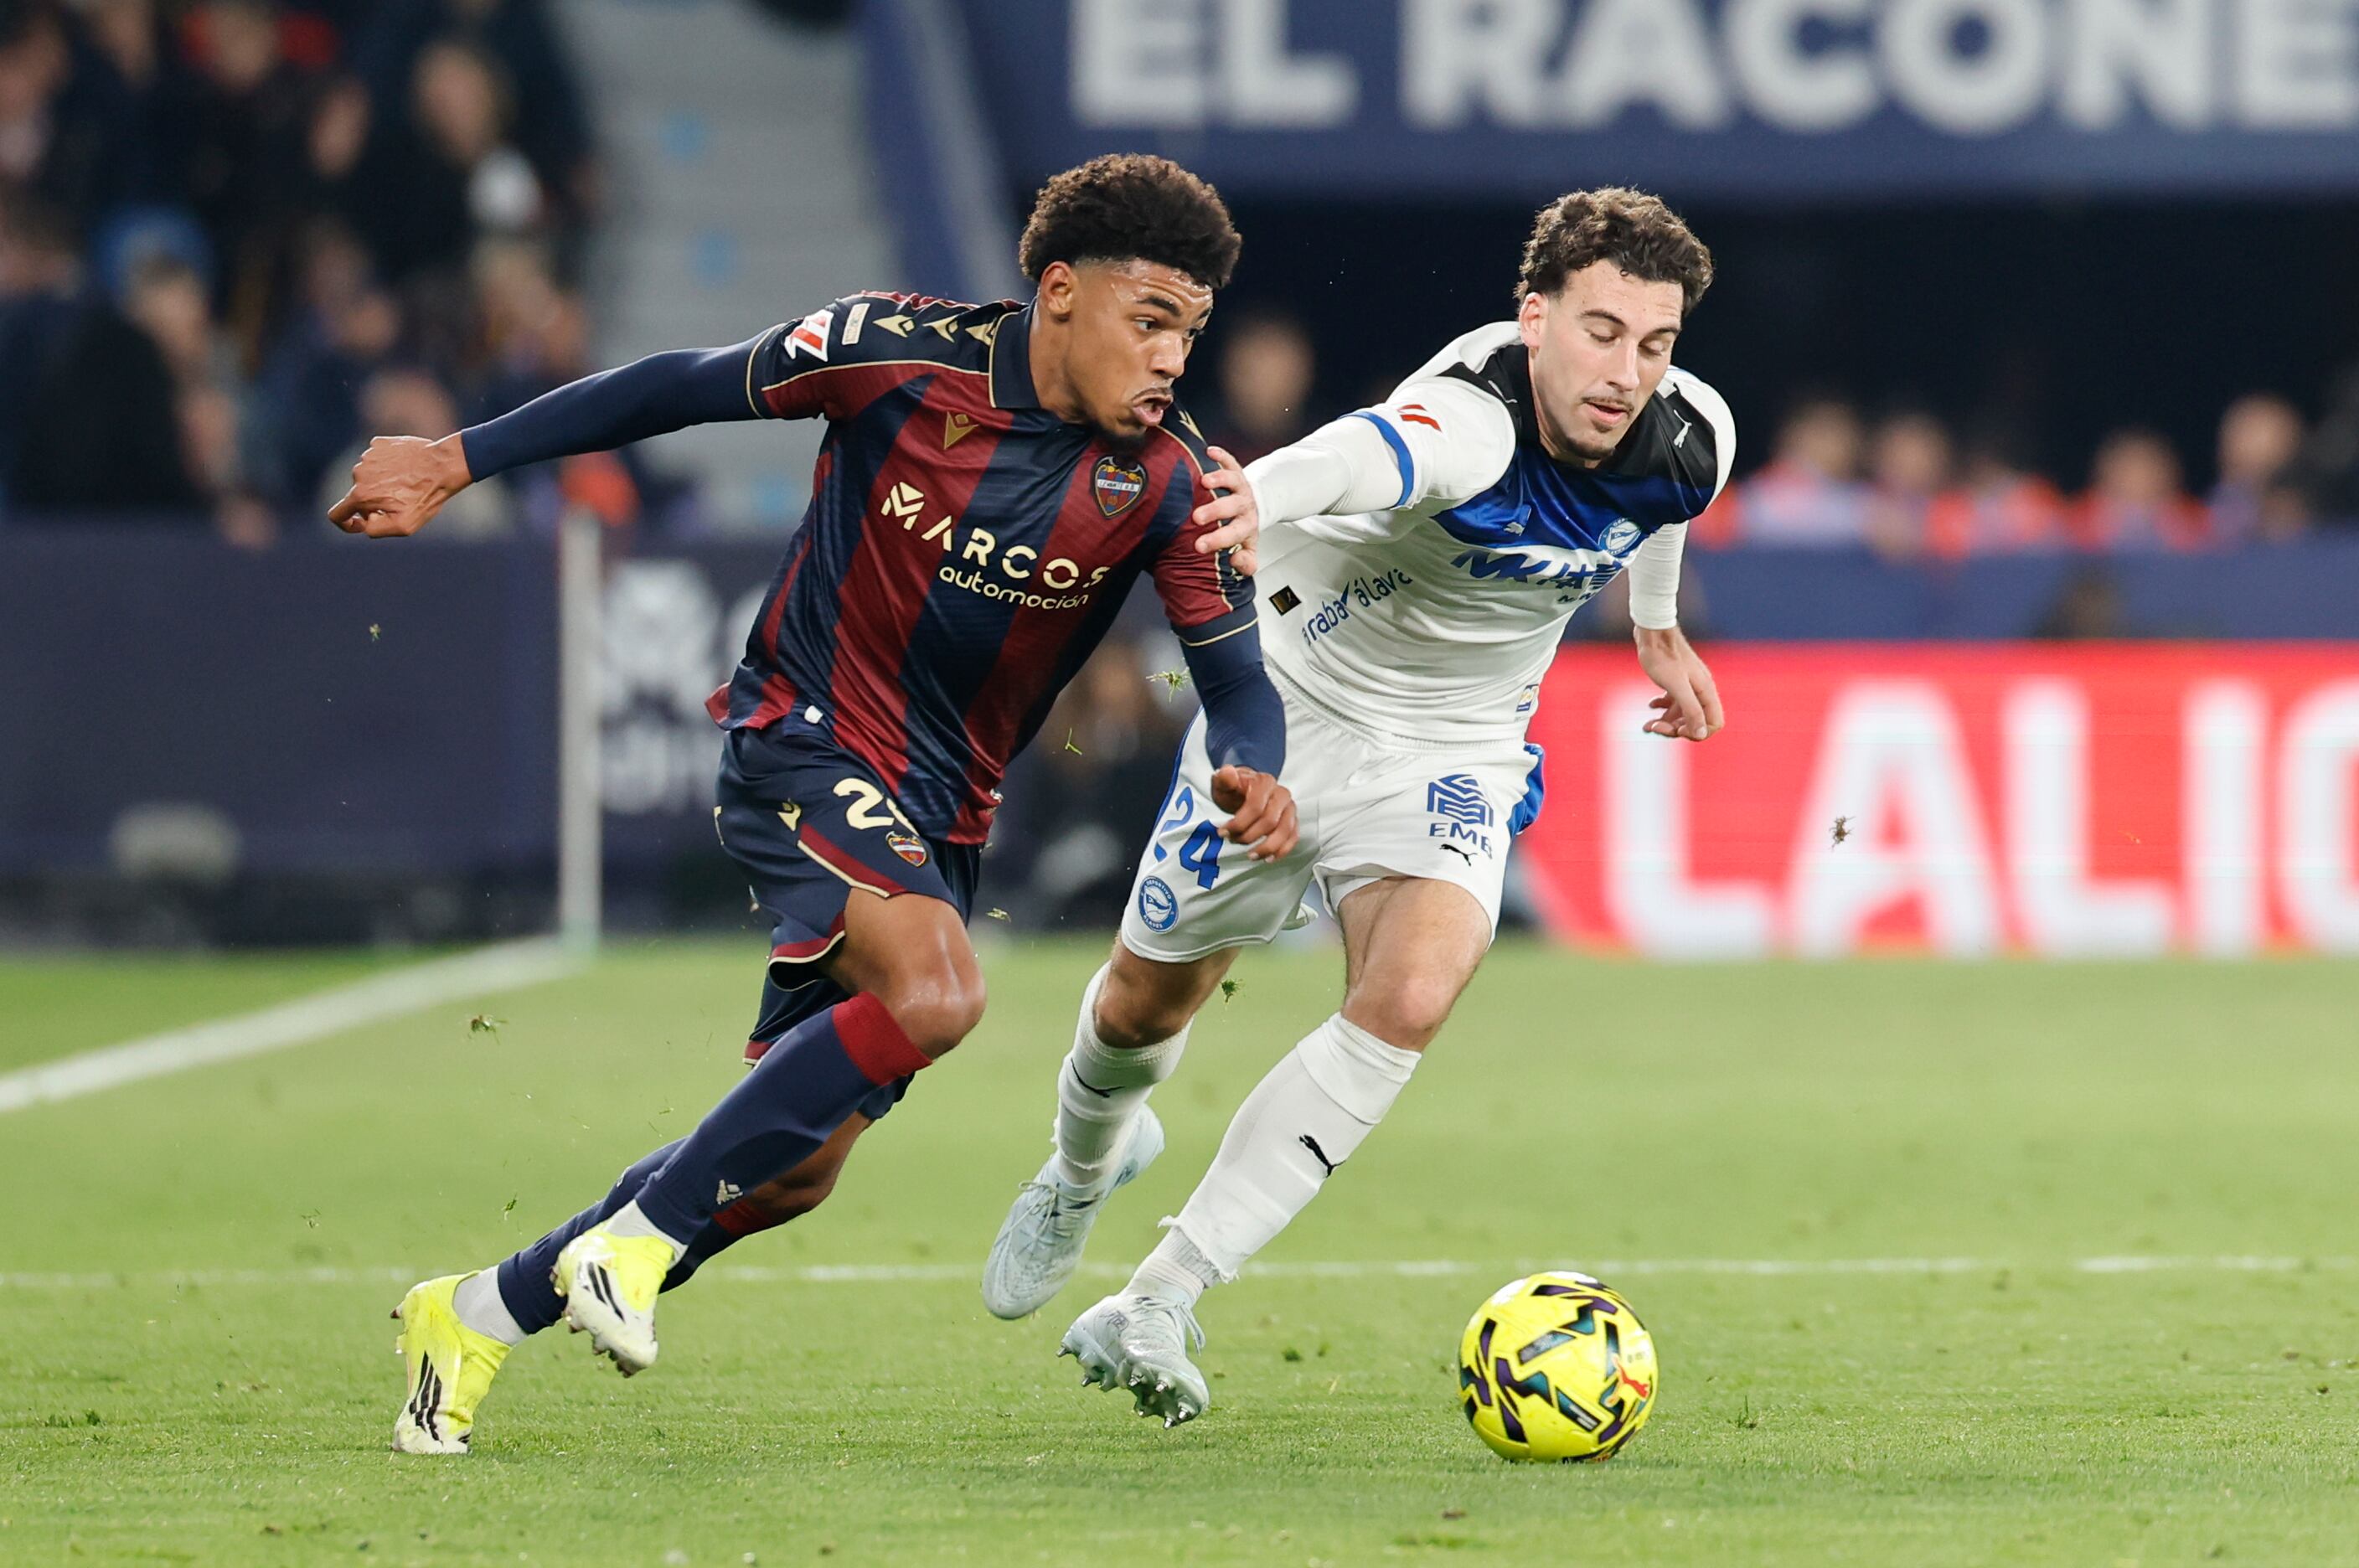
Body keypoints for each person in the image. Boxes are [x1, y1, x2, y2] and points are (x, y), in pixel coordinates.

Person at [342, 154, 1300, 1455]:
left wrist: (1256, 764)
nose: (1176, 356)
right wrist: (461, 455)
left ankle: (475, 1314)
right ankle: (629, 1244)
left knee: (791, 1168)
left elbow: (1238, 685)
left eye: (1192, 329)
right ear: (1060, 293)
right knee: (941, 997)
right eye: (1152, 320)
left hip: (946, 817)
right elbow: (676, 388)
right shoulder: (891, 355)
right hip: (798, 737)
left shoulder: (1178, 483)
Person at [978, 187, 1732, 1426]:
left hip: (1455, 745)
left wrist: (1654, 629)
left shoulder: (1693, 431)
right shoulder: (1468, 424)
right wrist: (1259, 497)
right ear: (1534, 318)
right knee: (1140, 1006)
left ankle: (1161, 1294)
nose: (1627, 373)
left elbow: (1666, 505)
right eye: (1601, 333)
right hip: (1288, 705)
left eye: (1654, 345)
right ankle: (1079, 1169)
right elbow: (1372, 451)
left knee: (1416, 990)